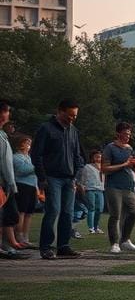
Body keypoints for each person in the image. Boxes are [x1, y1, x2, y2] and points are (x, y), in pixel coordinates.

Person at [31, 98, 84, 260]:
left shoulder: (73, 130)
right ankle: (46, 247)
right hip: (52, 177)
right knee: (53, 210)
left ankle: (63, 246)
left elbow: (77, 154)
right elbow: (36, 154)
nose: (72, 118)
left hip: (69, 178)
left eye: (75, 116)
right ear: (60, 111)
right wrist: (42, 177)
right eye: (69, 115)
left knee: (67, 213)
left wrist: (76, 175)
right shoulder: (46, 129)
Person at [102, 122, 135, 254]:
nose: (127, 136)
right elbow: (104, 169)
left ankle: (125, 240)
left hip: (128, 186)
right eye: (125, 134)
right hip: (114, 186)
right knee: (115, 215)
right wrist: (124, 164)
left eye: (129, 134)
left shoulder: (130, 149)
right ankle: (114, 243)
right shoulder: (110, 148)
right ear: (118, 134)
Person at [0, 102, 30, 259]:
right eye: (6, 112)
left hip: (6, 182)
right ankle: (5, 246)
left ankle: (7, 245)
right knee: (5, 214)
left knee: (9, 214)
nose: (7, 116)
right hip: (3, 181)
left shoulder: (3, 135)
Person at [12, 133, 39, 249]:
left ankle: (26, 237)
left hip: (32, 186)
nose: (29, 145)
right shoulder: (16, 157)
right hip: (22, 186)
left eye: (29, 142)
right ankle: (19, 236)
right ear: (20, 144)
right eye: (26, 142)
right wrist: (37, 166)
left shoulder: (29, 158)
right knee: (21, 211)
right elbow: (22, 170)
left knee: (29, 212)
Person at [78, 149, 105, 234]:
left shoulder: (103, 167)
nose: (98, 158)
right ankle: (91, 227)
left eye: (100, 156)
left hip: (100, 190)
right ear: (92, 158)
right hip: (90, 189)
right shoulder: (87, 167)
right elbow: (82, 179)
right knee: (91, 208)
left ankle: (96, 227)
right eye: (96, 156)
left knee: (100, 209)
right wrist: (82, 188)